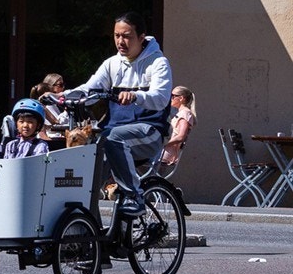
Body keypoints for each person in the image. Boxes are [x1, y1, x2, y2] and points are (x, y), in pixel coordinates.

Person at [60, 11, 173, 217]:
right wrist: (61, 96)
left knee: (113, 138)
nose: (120, 41)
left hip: (149, 132)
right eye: (117, 35)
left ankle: (134, 197)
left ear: (141, 37)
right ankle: (87, 227)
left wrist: (136, 96)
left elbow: (161, 98)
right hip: (112, 134)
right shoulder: (112, 63)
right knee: (88, 176)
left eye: (127, 36)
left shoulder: (158, 63)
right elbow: (89, 90)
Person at [160, 85, 196, 169]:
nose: (170, 98)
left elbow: (181, 136)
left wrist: (163, 144)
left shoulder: (185, 113)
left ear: (181, 98)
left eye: (173, 96)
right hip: (164, 153)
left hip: (165, 154)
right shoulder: (181, 113)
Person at [30, 73, 70, 141]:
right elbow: (57, 124)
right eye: (60, 85)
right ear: (50, 86)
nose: (63, 87)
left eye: (63, 84)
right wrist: (67, 111)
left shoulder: (53, 105)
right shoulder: (47, 105)